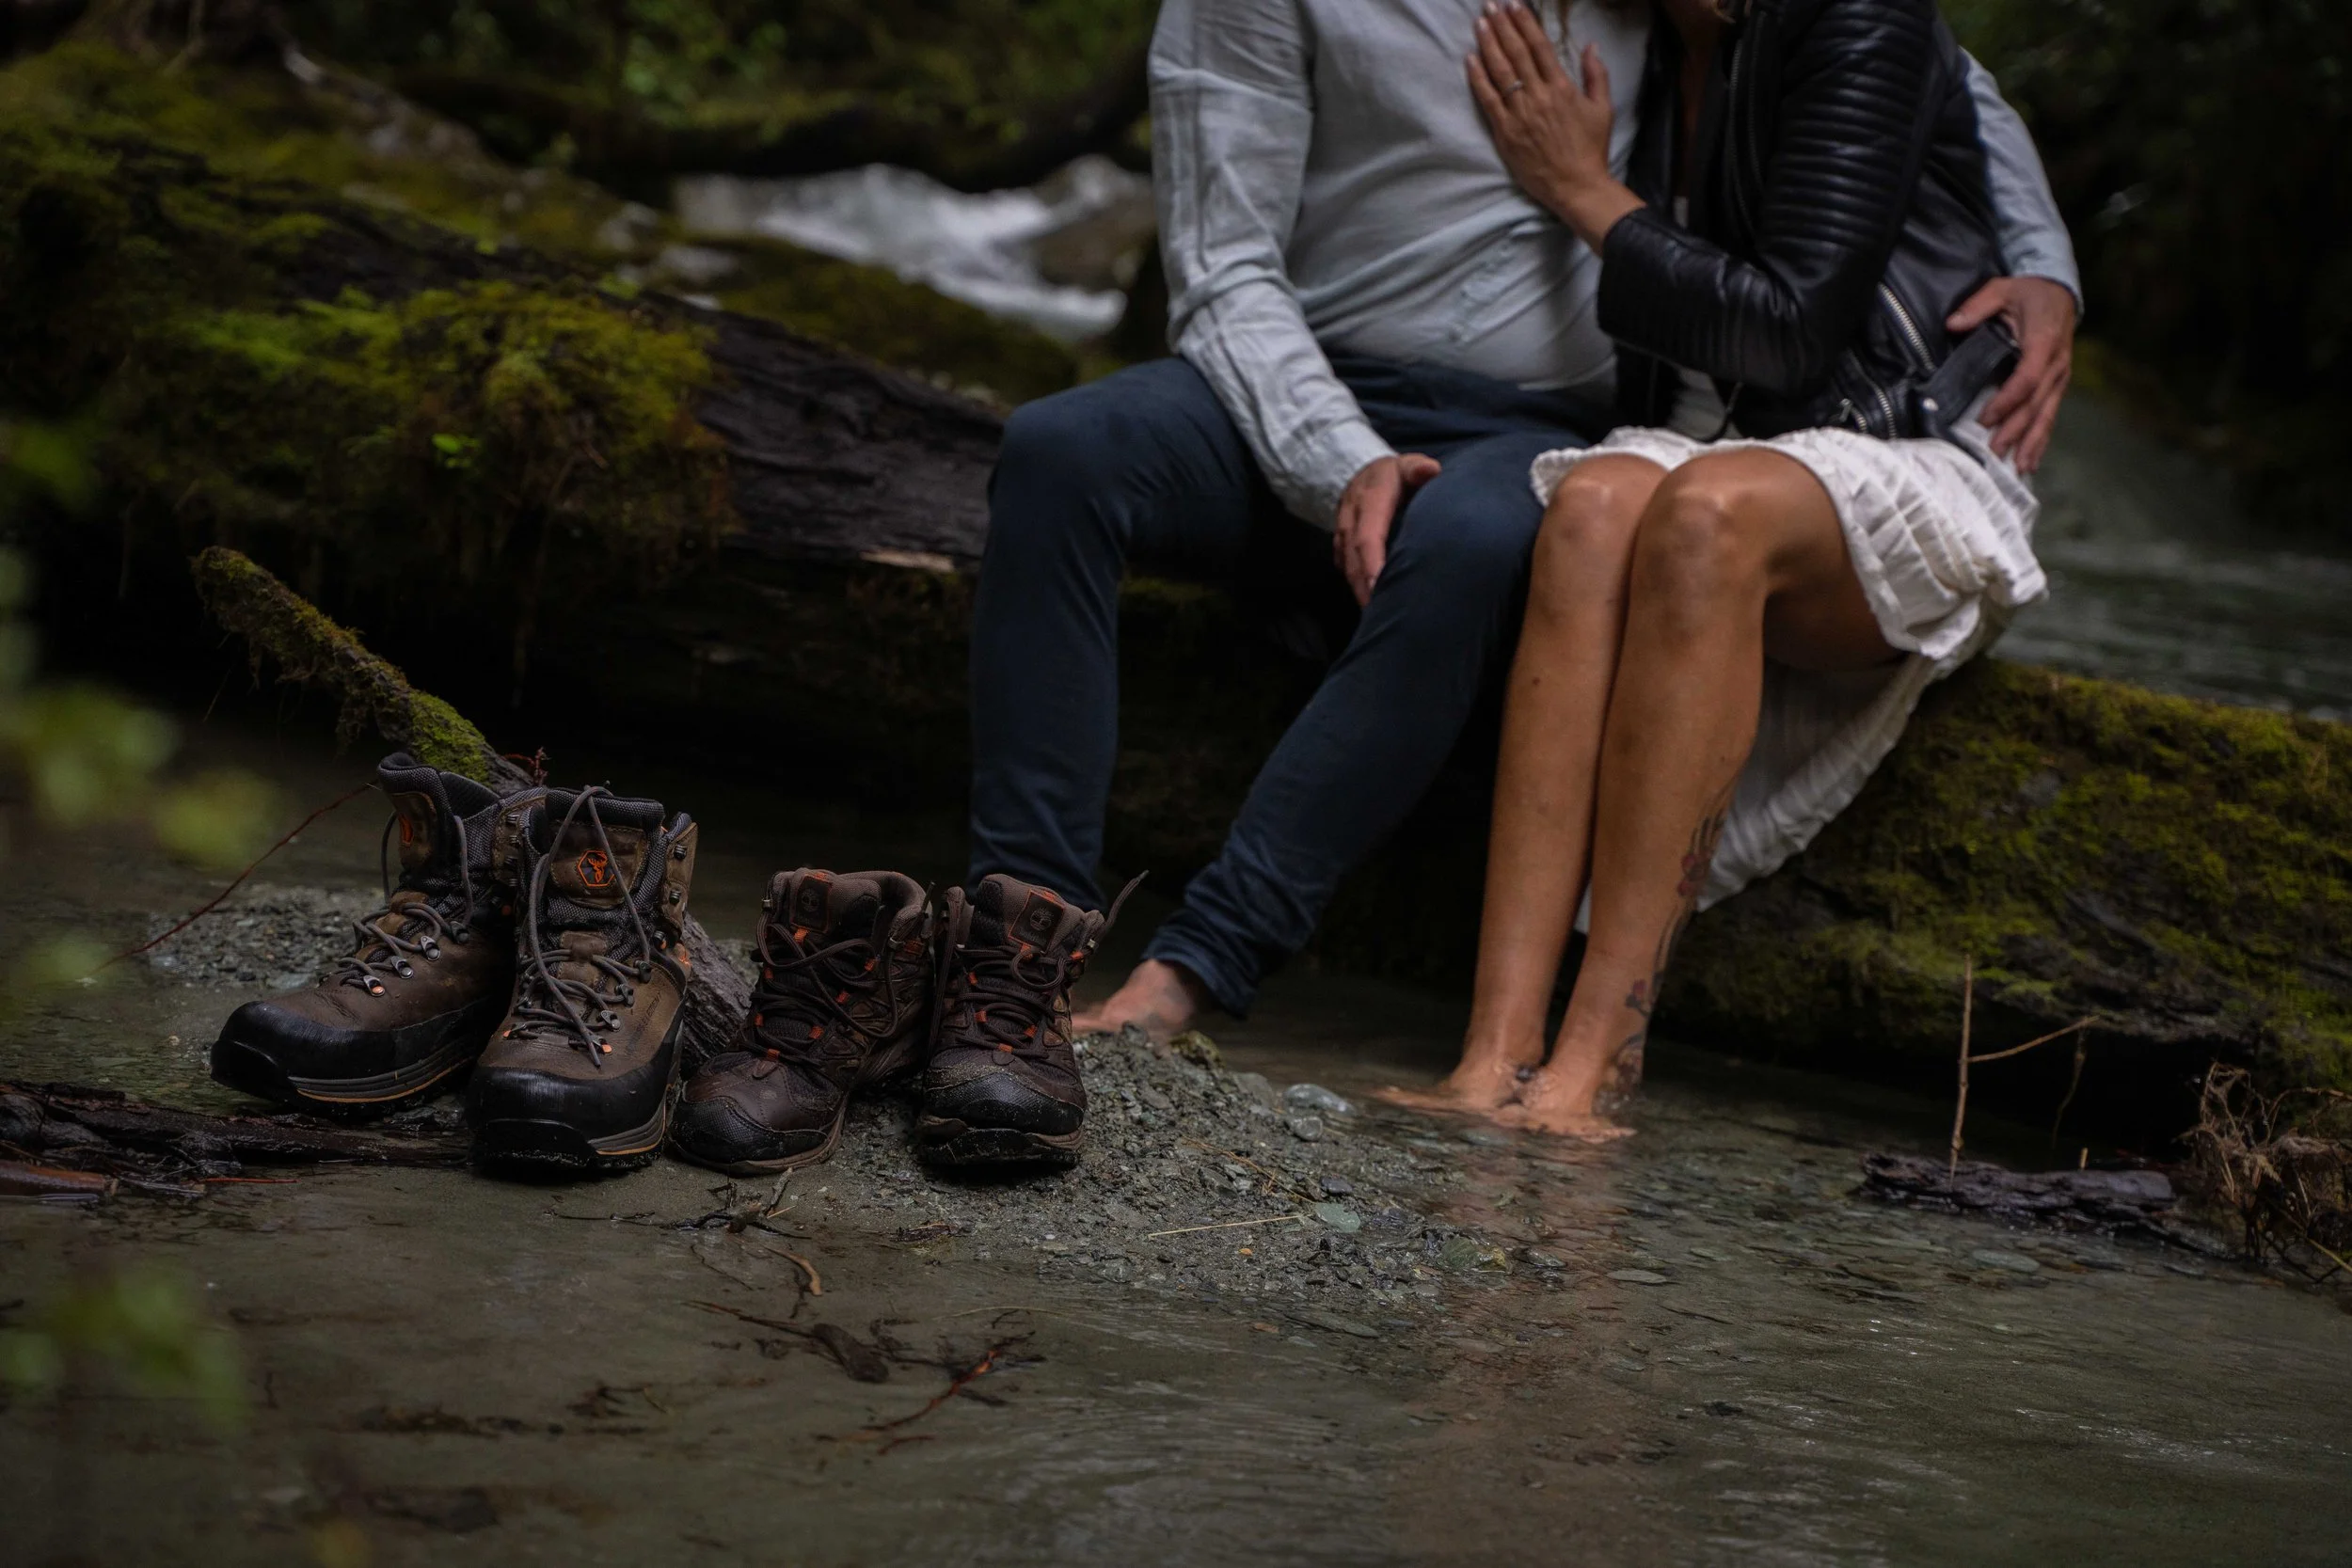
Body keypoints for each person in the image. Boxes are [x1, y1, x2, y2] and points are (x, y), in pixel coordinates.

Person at [968, 0, 2079, 1069]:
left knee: (1472, 535)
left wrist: (2043, 264)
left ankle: (1197, 962)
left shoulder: (1674, 4)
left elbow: (1927, 67)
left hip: (1541, 424)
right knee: (1064, 452)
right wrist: (1339, 457)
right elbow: (1221, 272)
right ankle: (1013, 949)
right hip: (1293, 379)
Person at [1389, 0, 2057, 1136]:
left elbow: (1794, 331)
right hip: (1723, 440)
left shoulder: (1855, 15)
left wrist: (1583, 191)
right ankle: (1492, 1049)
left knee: (1701, 514)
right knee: (1595, 506)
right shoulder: (1640, 35)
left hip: (1897, 440)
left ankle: (1595, 1058)